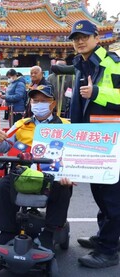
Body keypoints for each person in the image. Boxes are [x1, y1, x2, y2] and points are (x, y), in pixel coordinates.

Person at [0, 85, 73, 249]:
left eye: (44, 101)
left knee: (64, 188)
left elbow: (75, 155)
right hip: (23, 174)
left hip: (52, 175)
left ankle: (50, 232)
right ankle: (7, 231)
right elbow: (4, 148)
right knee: (1, 186)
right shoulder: (21, 124)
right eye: (35, 100)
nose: (39, 104)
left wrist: (72, 174)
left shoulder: (66, 125)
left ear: (53, 104)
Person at [68, 19, 120, 269]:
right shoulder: (81, 65)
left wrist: (98, 92)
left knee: (111, 196)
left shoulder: (111, 63)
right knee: (100, 192)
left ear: (97, 38)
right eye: (75, 37)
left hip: (111, 141)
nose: (79, 41)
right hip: (92, 139)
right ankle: (105, 237)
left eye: (84, 36)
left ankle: (109, 250)